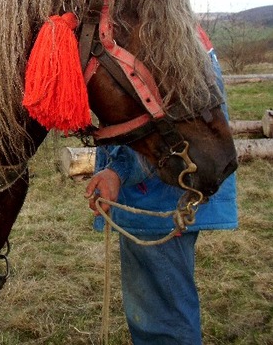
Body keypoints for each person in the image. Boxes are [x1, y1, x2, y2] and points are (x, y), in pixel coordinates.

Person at [84, 39, 238, 345]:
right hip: (165, 199)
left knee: (161, 323)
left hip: (159, 202)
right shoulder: (180, 35)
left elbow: (173, 130)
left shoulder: (163, 41)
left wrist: (118, 170)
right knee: (162, 310)